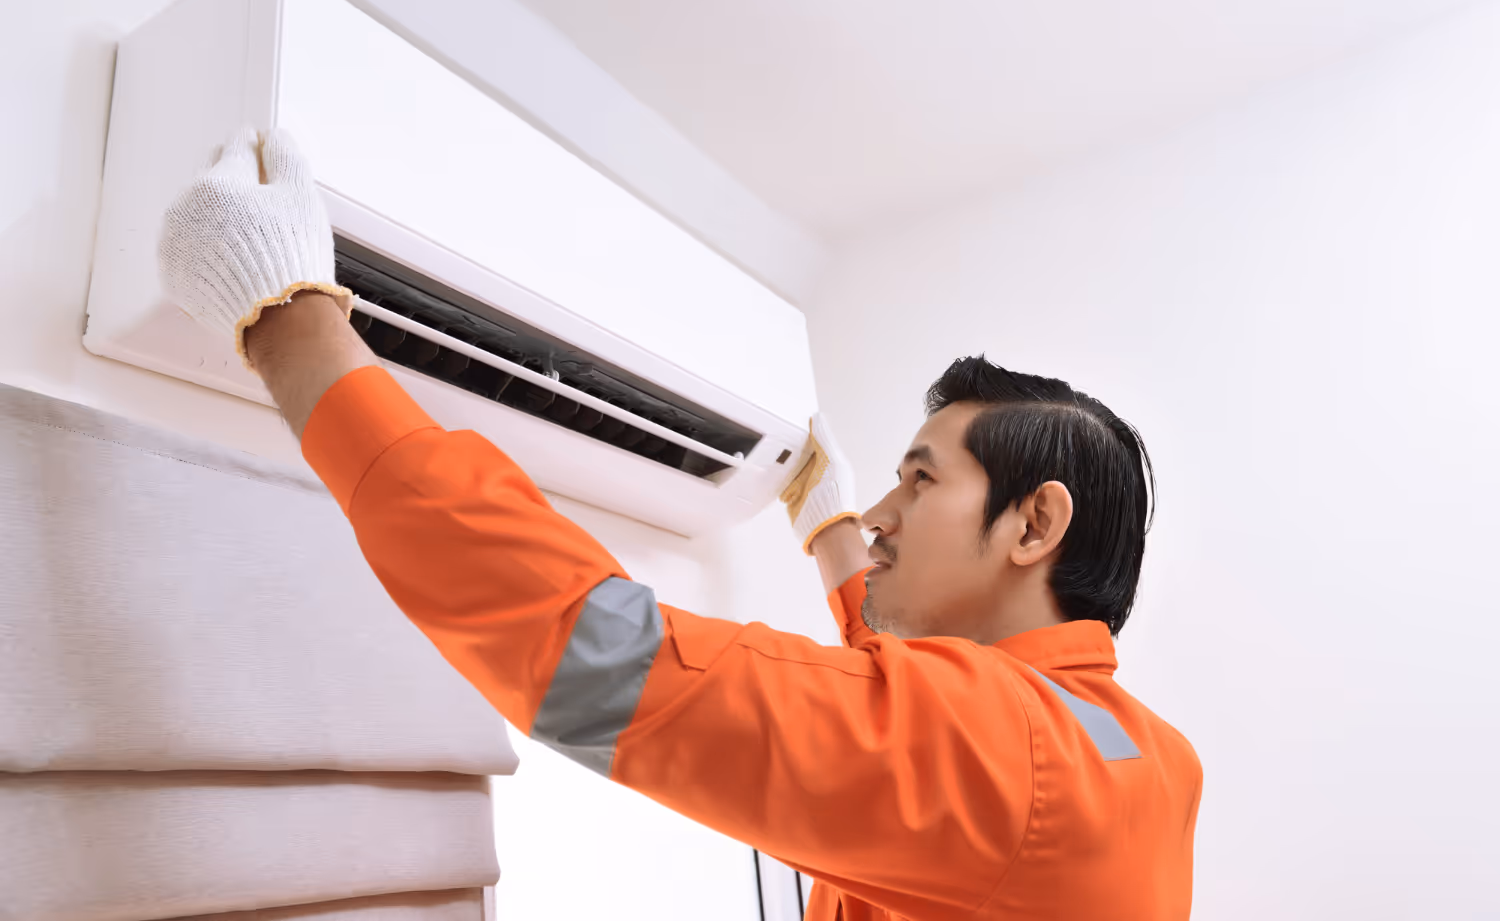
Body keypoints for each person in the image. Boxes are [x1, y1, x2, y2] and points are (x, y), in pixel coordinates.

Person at [160, 128, 1202, 920]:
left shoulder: (1000, 752)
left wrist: (290, 326)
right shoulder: (1141, 757)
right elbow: (902, 721)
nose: (885, 514)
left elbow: (597, 659)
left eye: (920, 483)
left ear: (1034, 523)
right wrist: (833, 533)